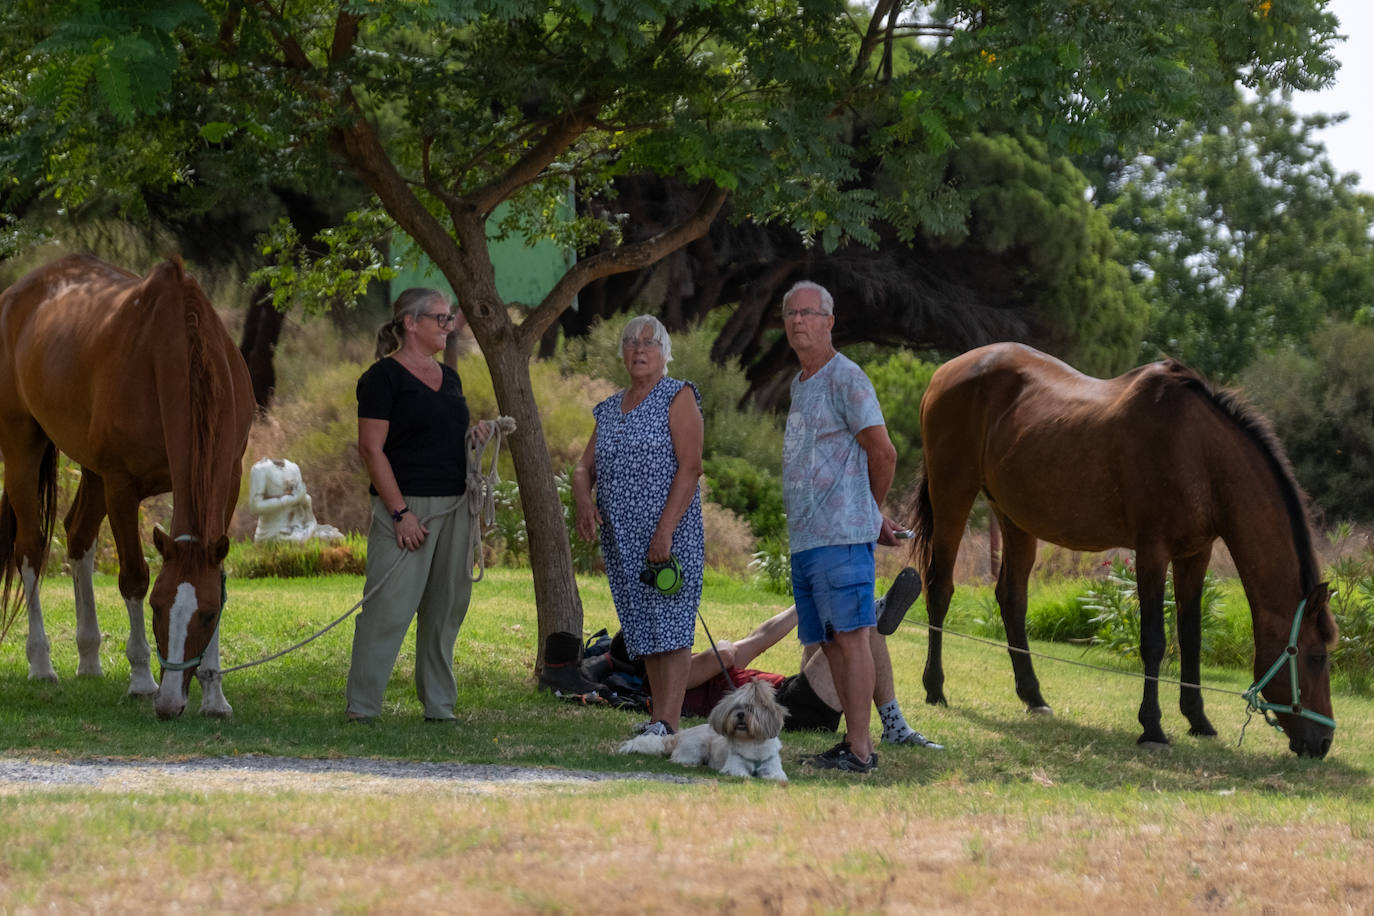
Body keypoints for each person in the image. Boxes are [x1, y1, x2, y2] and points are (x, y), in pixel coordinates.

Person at [346, 288, 491, 724]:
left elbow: (443, 438)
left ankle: (440, 708)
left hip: (454, 510)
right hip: (405, 509)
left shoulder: (450, 378)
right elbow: (371, 450)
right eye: (441, 319)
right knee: (388, 609)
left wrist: (475, 438)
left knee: (446, 609)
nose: (449, 327)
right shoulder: (382, 378)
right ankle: (363, 708)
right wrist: (399, 513)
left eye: (449, 319)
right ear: (411, 323)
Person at [781, 280, 900, 773]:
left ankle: (861, 751)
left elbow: (884, 451)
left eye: (808, 313)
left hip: (842, 537)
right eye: (790, 314)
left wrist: (868, 513)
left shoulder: (846, 377)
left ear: (830, 321)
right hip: (808, 541)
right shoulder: (799, 382)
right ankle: (852, 744)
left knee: (852, 638)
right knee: (829, 644)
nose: (798, 321)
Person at [573, 315, 704, 738]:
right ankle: (656, 720)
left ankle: (669, 720)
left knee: (671, 622)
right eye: (631, 342)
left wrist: (665, 530)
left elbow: (691, 467)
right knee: (642, 625)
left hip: (669, 531)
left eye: (649, 342)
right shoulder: (610, 409)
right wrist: (583, 503)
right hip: (623, 538)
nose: (639, 349)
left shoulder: (677, 395)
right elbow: (582, 468)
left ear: (665, 353)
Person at [248, 457, 343, 543]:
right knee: (301, 541)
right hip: (273, 531)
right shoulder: (260, 469)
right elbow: (255, 506)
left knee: (336, 537)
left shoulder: (293, 467)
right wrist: (290, 499)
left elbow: (301, 504)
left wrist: (304, 499)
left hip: (297, 526)